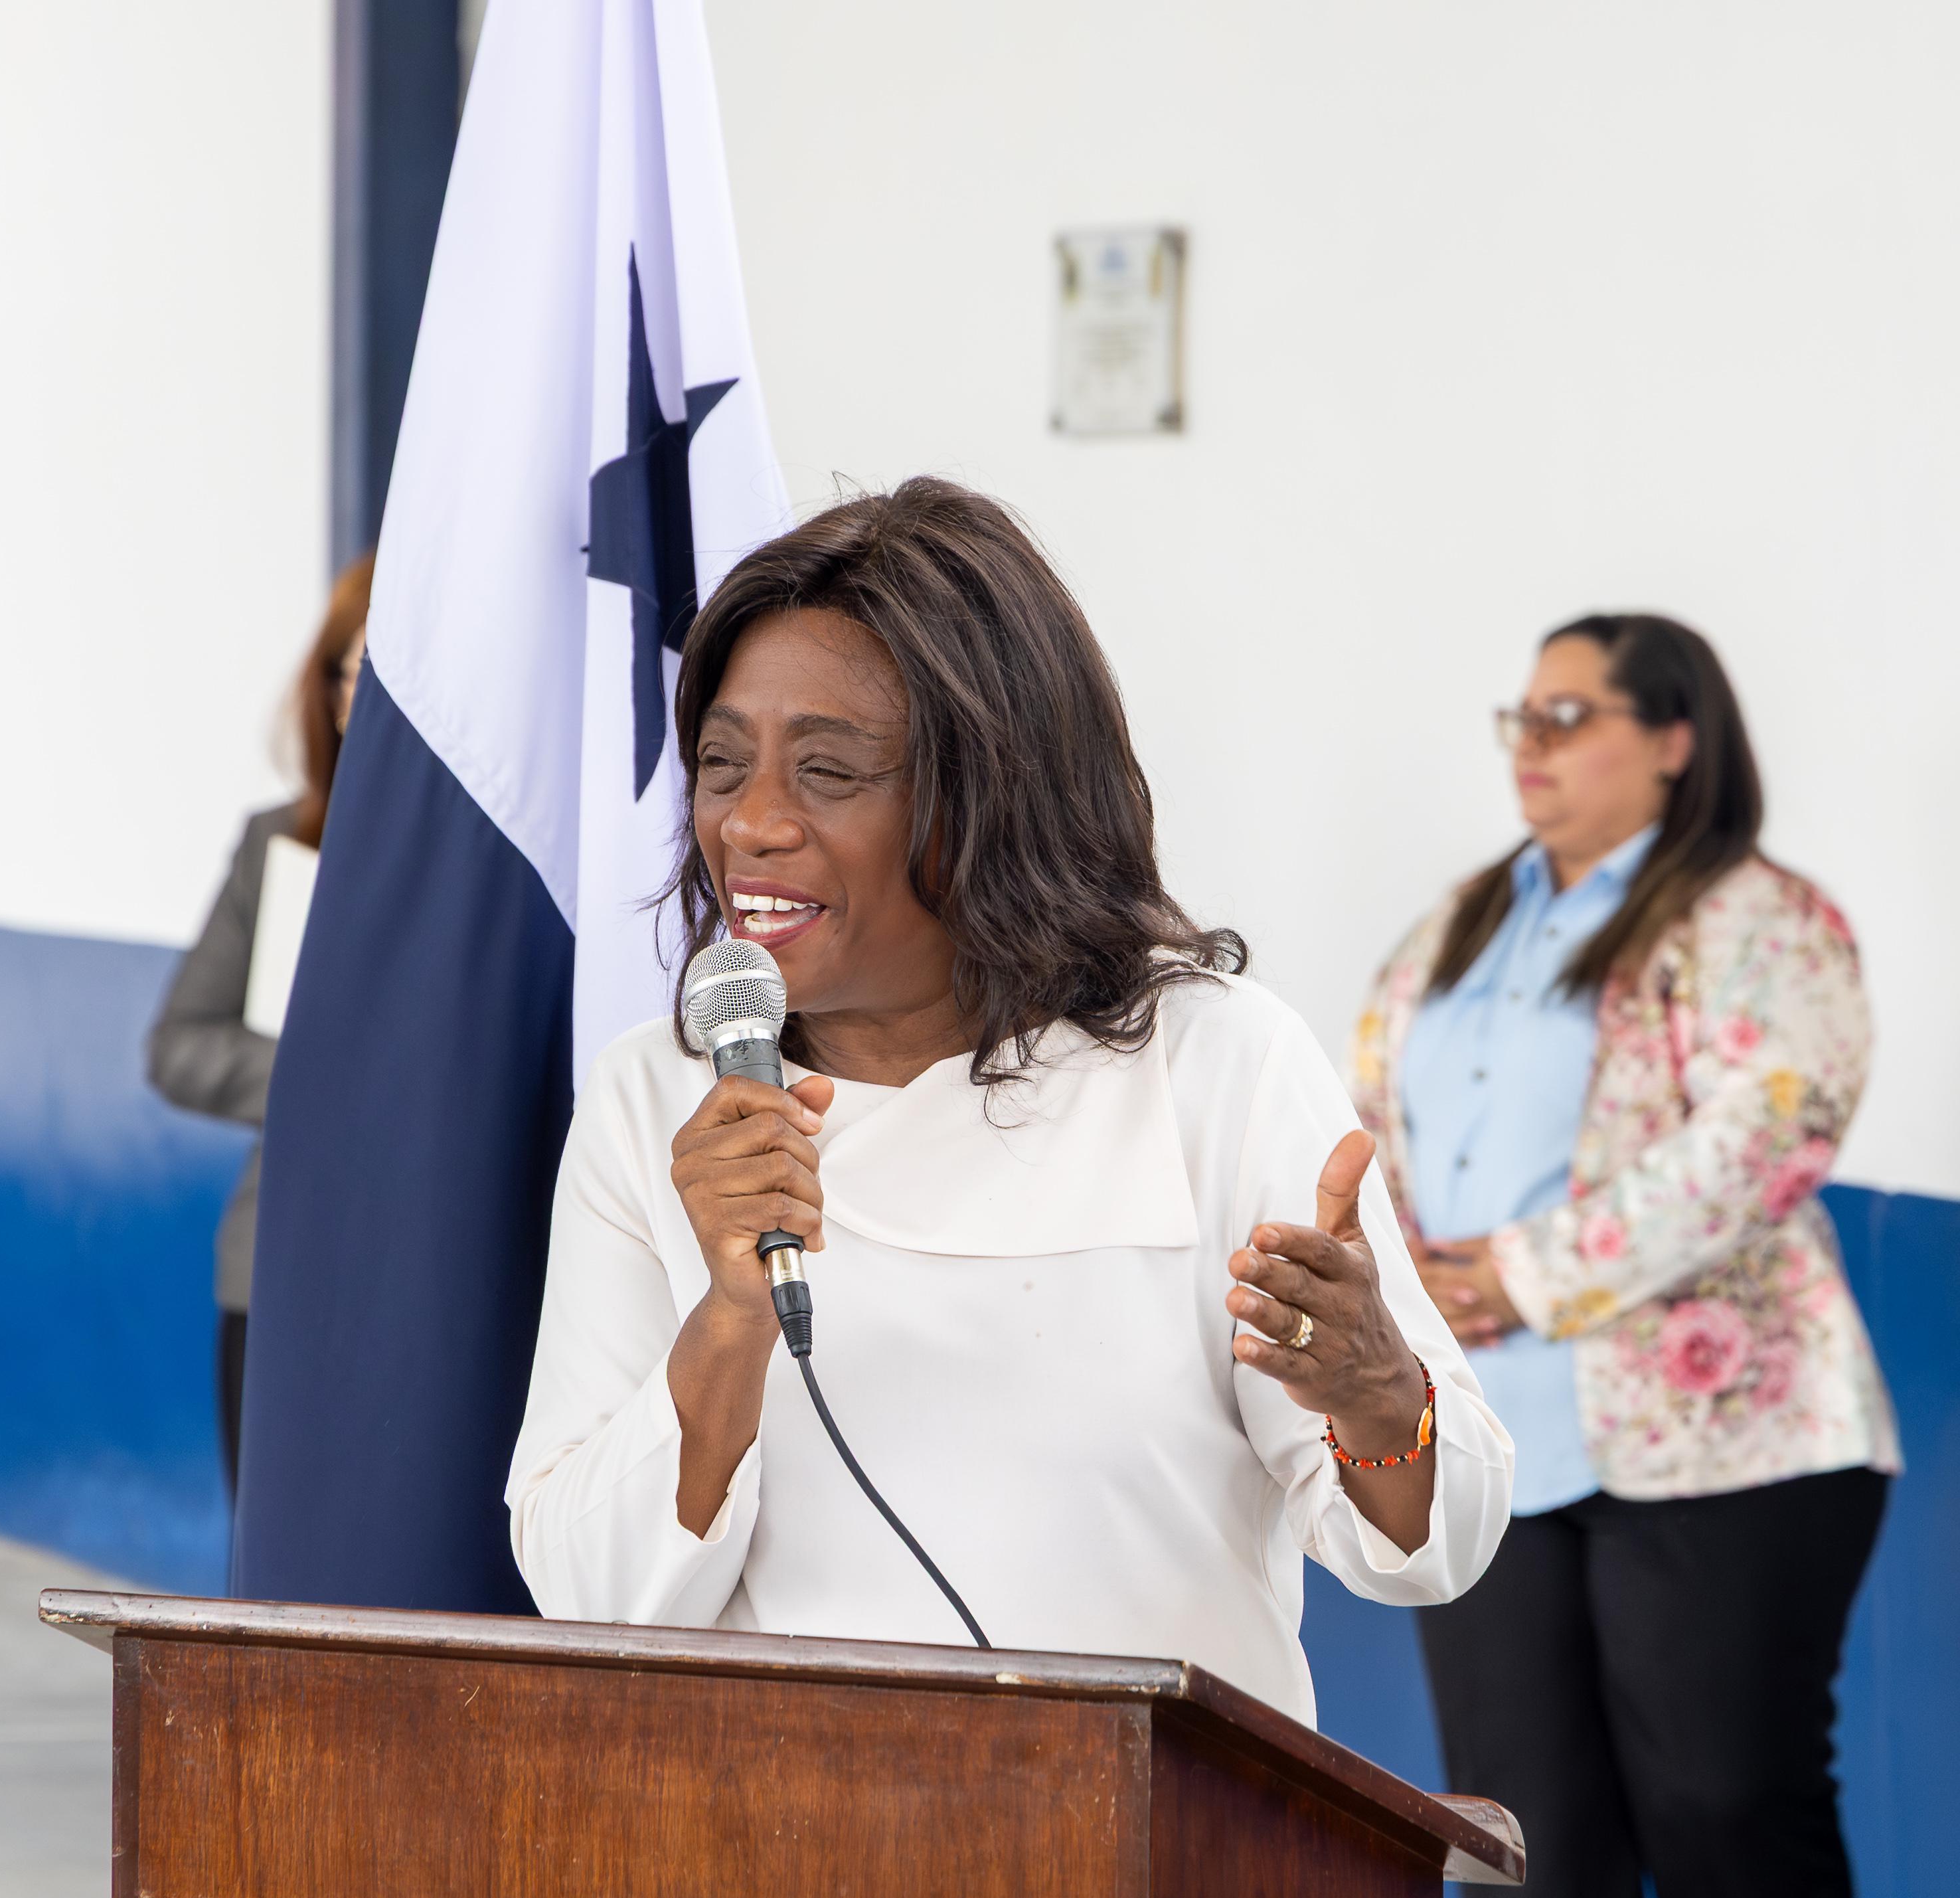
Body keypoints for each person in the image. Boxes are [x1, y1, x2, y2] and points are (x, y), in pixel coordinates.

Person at [508, 479, 1513, 1725]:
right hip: (782, 1826)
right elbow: (587, 1594)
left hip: (1159, 1830)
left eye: (827, 771)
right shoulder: (652, 1098)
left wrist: (1373, 1387)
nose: (752, 822)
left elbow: (1433, 1547)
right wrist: (730, 1316)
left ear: (992, 797)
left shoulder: (1214, 1064)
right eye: (723, 764)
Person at [1347, 612, 1900, 1898]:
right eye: (1518, 714)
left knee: (1721, 1792)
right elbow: (1372, 1105)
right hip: (1489, 1429)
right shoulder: (1468, 918)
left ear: (1672, 739)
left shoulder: (1757, 919)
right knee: (1519, 1806)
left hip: (1726, 1436)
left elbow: (1768, 1131)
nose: (1529, 744)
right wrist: (1405, 1276)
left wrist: (1520, 1273)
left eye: (1568, 714)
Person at [147, 551, 374, 1490]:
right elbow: (179, 1047)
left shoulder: (513, 880)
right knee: (271, 1546)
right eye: (353, 674)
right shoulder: (279, 843)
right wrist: (328, 1080)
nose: (368, 701)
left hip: (438, 1271)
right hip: (277, 1266)